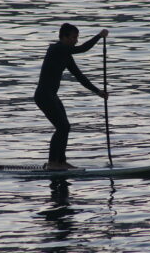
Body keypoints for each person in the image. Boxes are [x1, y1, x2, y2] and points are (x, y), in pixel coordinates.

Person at [34, 23, 109, 170]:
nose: (76, 40)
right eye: (74, 37)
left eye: (77, 37)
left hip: (51, 95)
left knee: (65, 127)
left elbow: (80, 77)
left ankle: (60, 162)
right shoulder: (56, 49)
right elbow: (82, 49)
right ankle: (52, 163)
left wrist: (98, 92)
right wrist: (99, 36)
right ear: (63, 37)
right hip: (43, 96)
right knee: (62, 127)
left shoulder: (66, 56)